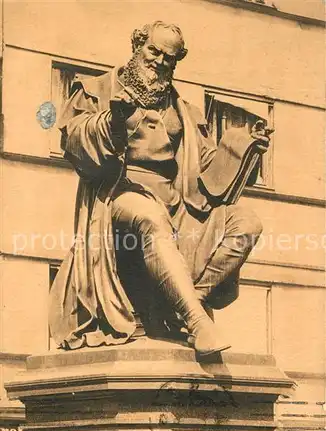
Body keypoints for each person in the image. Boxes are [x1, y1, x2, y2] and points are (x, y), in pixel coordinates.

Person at [49, 21, 271, 356]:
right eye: (154, 51)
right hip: (119, 198)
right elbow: (75, 142)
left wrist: (244, 148)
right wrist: (112, 121)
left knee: (247, 222)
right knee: (148, 215)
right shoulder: (95, 90)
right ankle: (197, 322)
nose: (159, 62)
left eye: (170, 58)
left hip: (180, 204)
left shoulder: (184, 110)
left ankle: (189, 301)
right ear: (138, 45)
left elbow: (209, 173)